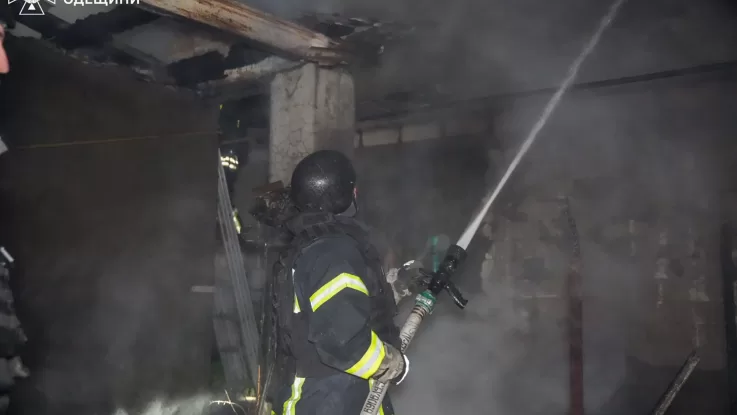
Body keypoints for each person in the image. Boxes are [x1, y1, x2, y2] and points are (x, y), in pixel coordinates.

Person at [264, 150, 409, 415]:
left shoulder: (314, 247)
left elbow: (342, 306)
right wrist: (392, 365)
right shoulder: (333, 253)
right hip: (331, 400)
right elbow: (343, 341)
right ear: (344, 194)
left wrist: (398, 287)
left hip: (324, 397)